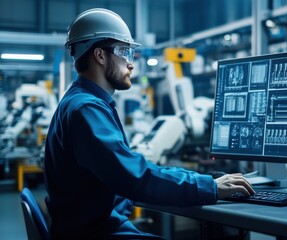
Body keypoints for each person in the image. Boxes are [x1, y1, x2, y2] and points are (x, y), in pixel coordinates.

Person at [43, 8, 255, 240]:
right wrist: (208, 188)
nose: (131, 64)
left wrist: (204, 180)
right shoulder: (87, 109)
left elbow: (133, 171)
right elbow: (134, 177)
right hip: (96, 233)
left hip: (94, 227)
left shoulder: (80, 102)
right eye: (124, 52)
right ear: (100, 55)